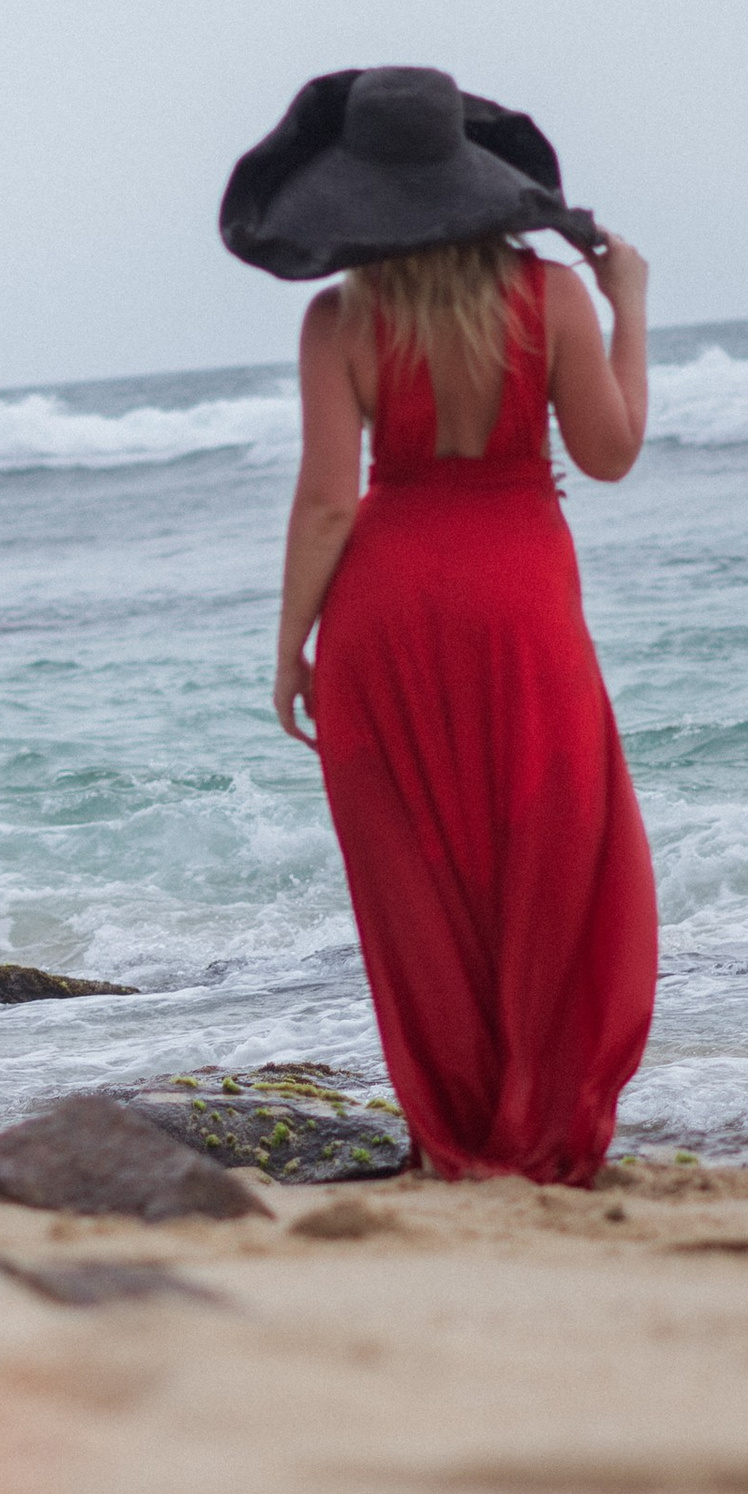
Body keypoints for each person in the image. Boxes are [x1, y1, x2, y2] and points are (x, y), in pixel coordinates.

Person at [218, 63, 658, 1184]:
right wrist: (630, 309)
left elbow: (326, 500)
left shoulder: (341, 318)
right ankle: (545, 1124)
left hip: (386, 605)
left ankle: (455, 1130)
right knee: (548, 848)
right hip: (521, 598)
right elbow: (608, 458)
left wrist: (290, 650)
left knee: (417, 871)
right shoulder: (553, 296)